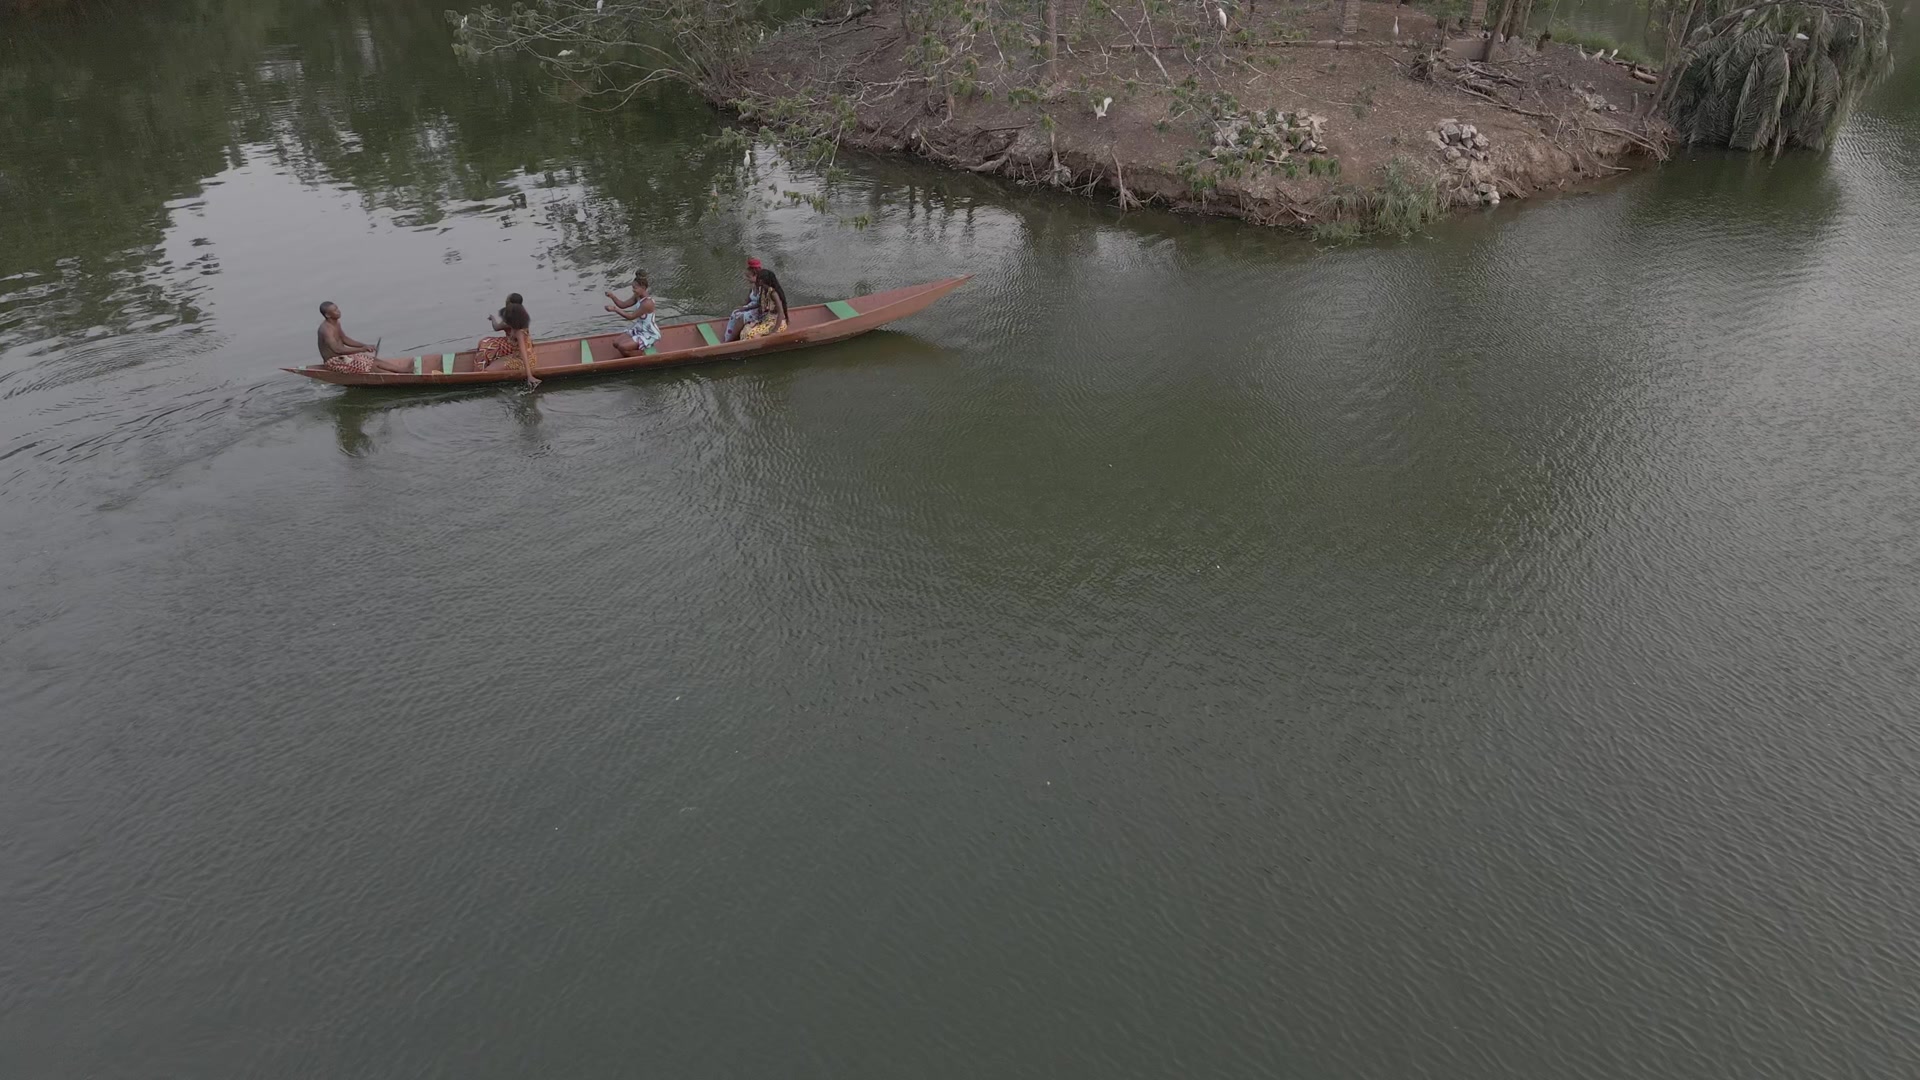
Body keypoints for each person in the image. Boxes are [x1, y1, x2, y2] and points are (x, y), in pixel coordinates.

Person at [317, 302, 413, 374]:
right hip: (334, 361)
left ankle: (403, 370)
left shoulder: (336, 323)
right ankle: (397, 377)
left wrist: (364, 345)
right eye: (335, 311)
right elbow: (337, 349)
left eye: (337, 308)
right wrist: (361, 349)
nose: (338, 311)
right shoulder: (326, 330)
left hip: (344, 357)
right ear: (328, 315)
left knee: (373, 360)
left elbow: (345, 339)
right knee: (370, 367)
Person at [476, 293, 541, 390]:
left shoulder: (519, 331)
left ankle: (478, 374)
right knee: (486, 345)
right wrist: (493, 319)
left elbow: (523, 352)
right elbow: (498, 327)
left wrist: (529, 376)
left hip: (522, 360)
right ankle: (481, 369)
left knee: (488, 370)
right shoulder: (514, 320)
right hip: (515, 354)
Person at [605, 270, 660, 357]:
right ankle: (639, 346)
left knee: (622, 347)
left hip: (648, 333)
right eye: (633, 287)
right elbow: (623, 305)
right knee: (616, 344)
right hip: (639, 329)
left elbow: (631, 317)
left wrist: (615, 309)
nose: (633, 290)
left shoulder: (647, 303)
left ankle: (642, 355)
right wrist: (612, 296)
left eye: (635, 288)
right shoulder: (637, 297)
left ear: (643, 287)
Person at [739, 268, 788, 340]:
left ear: (763, 281)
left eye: (758, 280)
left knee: (751, 335)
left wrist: (774, 331)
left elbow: (781, 312)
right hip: (766, 319)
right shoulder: (764, 290)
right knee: (745, 329)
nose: (757, 282)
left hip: (776, 323)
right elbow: (760, 304)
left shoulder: (773, 293)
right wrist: (745, 308)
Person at [723, 257, 764, 342]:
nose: (747, 279)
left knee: (743, 317)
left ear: (755, 275)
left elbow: (761, 304)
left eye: (749, 276)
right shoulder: (753, 286)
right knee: (735, 313)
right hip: (751, 306)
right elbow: (748, 299)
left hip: (759, 310)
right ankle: (728, 337)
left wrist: (745, 308)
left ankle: (731, 341)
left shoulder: (762, 287)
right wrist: (743, 307)